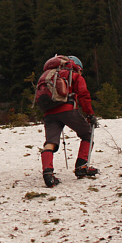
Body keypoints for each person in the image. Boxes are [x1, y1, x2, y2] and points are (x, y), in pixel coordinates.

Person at [40, 55, 99, 186]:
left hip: (49, 113)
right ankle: (82, 167)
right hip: (67, 110)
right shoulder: (73, 74)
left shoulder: (48, 75)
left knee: (50, 142)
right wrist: (90, 114)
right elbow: (83, 95)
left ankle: (48, 174)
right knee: (87, 134)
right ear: (77, 67)